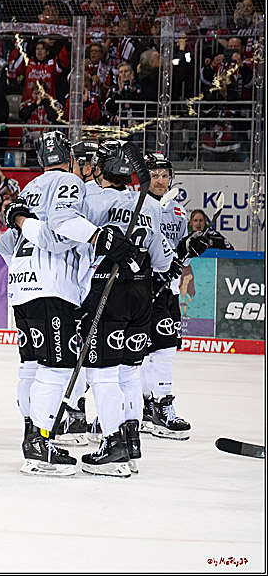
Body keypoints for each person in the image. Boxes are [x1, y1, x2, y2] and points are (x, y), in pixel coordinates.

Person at [0, 132, 128, 477]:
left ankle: (36, 434)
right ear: (71, 159)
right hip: (51, 287)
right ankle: (39, 445)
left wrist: (25, 223)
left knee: (34, 365)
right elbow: (59, 232)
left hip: (20, 287)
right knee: (56, 368)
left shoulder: (28, 190)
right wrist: (99, 238)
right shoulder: (71, 182)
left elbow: (4, 244)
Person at [75, 140, 174, 476]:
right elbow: (162, 259)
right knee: (129, 370)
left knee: (101, 373)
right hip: (142, 292)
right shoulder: (148, 204)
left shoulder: (89, 198)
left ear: (100, 169)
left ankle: (114, 442)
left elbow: (72, 242)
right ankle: (131, 439)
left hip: (108, 289)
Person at [142, 152, 207, 441]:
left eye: (164, 175)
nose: (159, 180)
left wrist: (191, 248)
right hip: (139, 288)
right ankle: (144, 407)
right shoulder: (135, 206)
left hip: (167, 290)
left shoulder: (179, 213)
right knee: (138, 353)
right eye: (153, 174)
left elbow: (180, 251)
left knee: (165, 349)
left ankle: (163, 406)